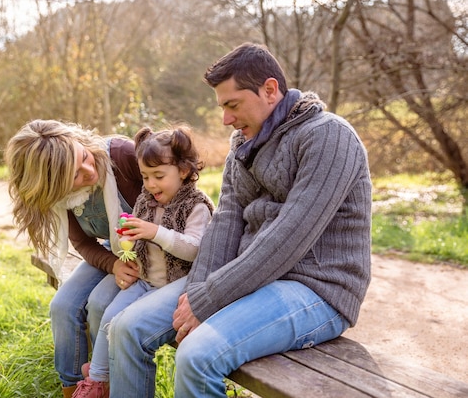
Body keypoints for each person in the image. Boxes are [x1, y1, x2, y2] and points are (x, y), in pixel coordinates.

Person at [107, 42, 372, 397]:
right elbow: (226, 221)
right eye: (222, 107)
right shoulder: (242, 144)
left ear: (270, 90)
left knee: (196, 357)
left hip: (316, 289)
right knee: (127, 328)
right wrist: (198, 291)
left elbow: (288, 238)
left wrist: (210, 298)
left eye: (232, 105)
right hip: (248, 279)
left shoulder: (329, 136)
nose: (225, 119)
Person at [72, 126, 215, 398]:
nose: (150, 184)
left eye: (158, 176)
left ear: (183, 171)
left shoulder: (196, 205)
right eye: (145, 177)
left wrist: (156, 233)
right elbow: (137, 239)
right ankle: (97, 381)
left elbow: (195, 249)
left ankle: (100, 379)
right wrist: (127, 238)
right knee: (109, 318)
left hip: (173, 286)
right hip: (145, 281)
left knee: (123, 323)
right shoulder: (146, 200)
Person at [3, 119, 143, 398]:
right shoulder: (61, 198)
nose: (89, 171)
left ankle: (102, 382)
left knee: (100, 304)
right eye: (75, 176)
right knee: (63, 306)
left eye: (84, 158)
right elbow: (82, 242)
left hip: (150, 254)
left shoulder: (123, 157)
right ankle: (73, 389)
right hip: (115, 253)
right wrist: (112, 264)